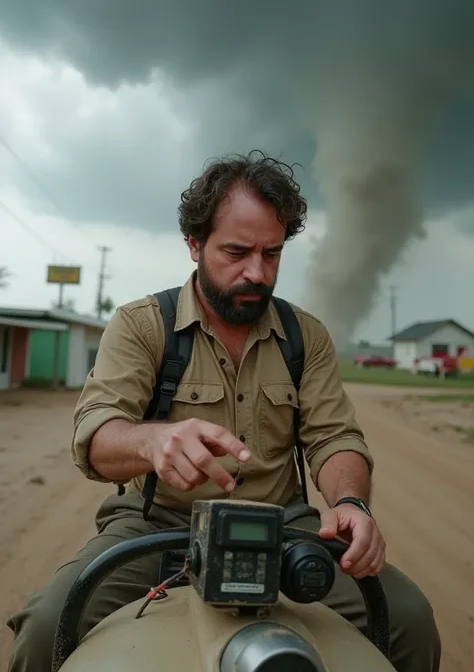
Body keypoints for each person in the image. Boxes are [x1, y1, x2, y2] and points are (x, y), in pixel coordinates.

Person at [7, 151, 440, 672]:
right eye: (236, 251)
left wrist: (353, 503)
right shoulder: (143, 325)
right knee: (42, 631)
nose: (256, 272)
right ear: (194, 245)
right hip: (156, 528)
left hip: (283, 527)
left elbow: (334, 438)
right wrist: (152, 443)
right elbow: (96, 432)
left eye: (272, 254)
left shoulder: (306, 336)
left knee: (410, 620)